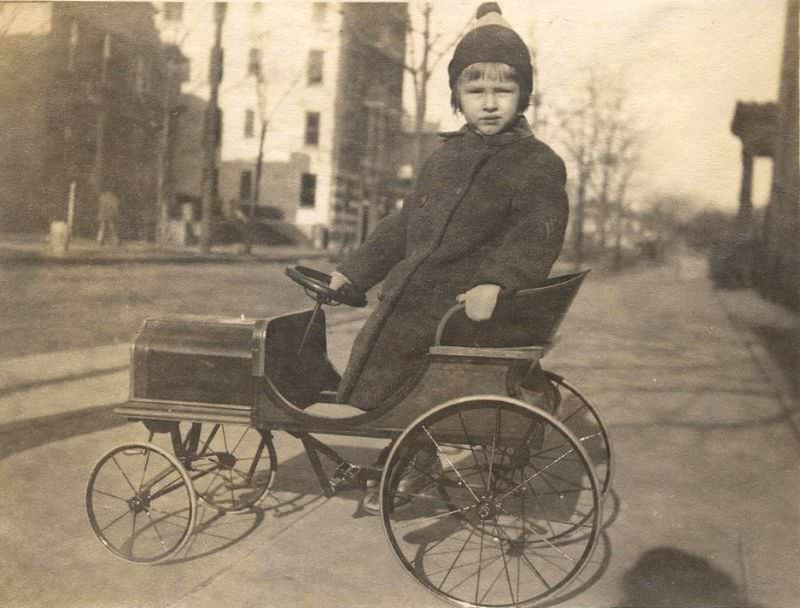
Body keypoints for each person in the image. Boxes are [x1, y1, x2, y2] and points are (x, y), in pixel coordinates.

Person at [330, 3, 569, 510]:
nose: (489, 104)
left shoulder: (536, 163)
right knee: (380, 364)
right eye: (475, 90)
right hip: (410, 295)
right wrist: (355, 270)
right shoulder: (443, 158)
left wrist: (499, 282)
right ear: (457, 98)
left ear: (524, 95)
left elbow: (536, 233)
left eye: (503, 91)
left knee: (408, 375)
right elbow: (403, 224)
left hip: (460, 306)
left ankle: (412, 460)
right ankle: (390, 447)